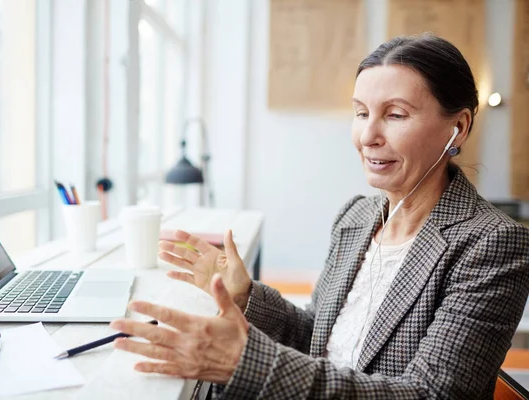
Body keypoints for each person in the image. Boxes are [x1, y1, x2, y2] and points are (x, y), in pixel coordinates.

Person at [109, 34, 529, 399]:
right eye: (361, 112)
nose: (367, 136)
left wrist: (244, 363)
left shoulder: (493, 243)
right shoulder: (357, 217)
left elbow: (432, 394)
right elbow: (319, 337)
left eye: (395, 114)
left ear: (458, 127)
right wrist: (245, 296)